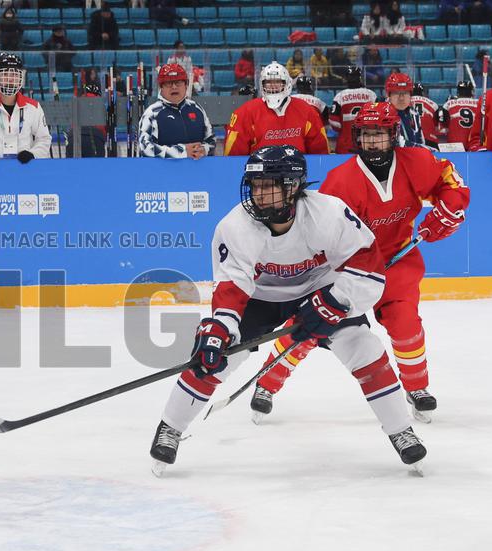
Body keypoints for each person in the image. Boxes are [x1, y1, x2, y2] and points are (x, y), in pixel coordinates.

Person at [149, 144, 428, 476]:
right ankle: (170, 428)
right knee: (217, 356)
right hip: (261, 298)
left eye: (269, 185)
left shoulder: (329, 213)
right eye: (256, 185)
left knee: (363, 347)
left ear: (293, 186)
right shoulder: (234, 226)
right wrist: (220, 328)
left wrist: (337, 301)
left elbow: (368, 269)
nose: (259, 194)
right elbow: (232, 287)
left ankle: (401, 430)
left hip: (322, 289)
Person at [248, 103, 470, 426]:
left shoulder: (417, 161)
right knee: (305, 327)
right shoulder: (341, 182)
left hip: (398, 260)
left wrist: (448, 211)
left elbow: (450, 182)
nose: (373, 142)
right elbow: (318, 233)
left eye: (379, 135)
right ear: (358, 138)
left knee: (406, 323)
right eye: (367, 135)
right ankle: (267, 383)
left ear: (393, 135)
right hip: (345, 269)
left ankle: (417, 388)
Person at [224, 62, 329, 155]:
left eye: (277, 81)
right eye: (268, 82)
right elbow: (233, 157)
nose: (273, 86)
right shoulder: (244, 113)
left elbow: (321, 153)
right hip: (258, 175)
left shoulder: (306, 111)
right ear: (262, 84)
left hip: (298, 173)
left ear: (287, 83)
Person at [138, 63, 214, 159]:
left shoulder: (197, 108)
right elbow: (145, 148)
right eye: (169, 83)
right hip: (164, 172)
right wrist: (181, 152)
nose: (174, 87)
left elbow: (211, 141)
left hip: (197, 171)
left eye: (178, 83)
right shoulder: (152, 113)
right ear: (161, 87)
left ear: (186, 85)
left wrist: (204, 149)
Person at [328, 66, 377, 154]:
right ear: (360, 77)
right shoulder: (371, 95)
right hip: (369, 142)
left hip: (346, 143)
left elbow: (333, 121)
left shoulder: (340, 96)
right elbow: (379, 118)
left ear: (346, 78)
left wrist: (344, 130)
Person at [383, 72, 427, 148]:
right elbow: (397, 144)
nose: (401, 98)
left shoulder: (414, 114)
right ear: (388, 95)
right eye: (397, 93)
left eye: (405, 93)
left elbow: (421, 141)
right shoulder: (382, 115)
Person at [66, 83, 107, 157]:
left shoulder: (77, 102)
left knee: (72, 167)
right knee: (96, 167)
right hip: (96, 138)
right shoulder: (101, 104)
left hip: (74, 138)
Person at [437, 80, 480, 147]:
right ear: (471, 92)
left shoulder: (449, 104)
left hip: (454, 145)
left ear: (458, 92)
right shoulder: (479, 103)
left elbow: (442, 125)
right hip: (474, 144)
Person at [410, 83, 441, 148]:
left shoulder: (404, 102)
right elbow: (437, 127)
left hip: (411, 139)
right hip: (429, 139)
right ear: (422, 92)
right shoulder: (433, 104)